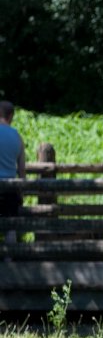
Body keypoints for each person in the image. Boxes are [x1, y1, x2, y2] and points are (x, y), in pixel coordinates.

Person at [0, 100, 25, 244]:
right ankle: (9, 259)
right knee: (10, 229)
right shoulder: (17, 137)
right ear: (11, 116)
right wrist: (20, 193)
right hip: (9, 190)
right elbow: (21, 170)